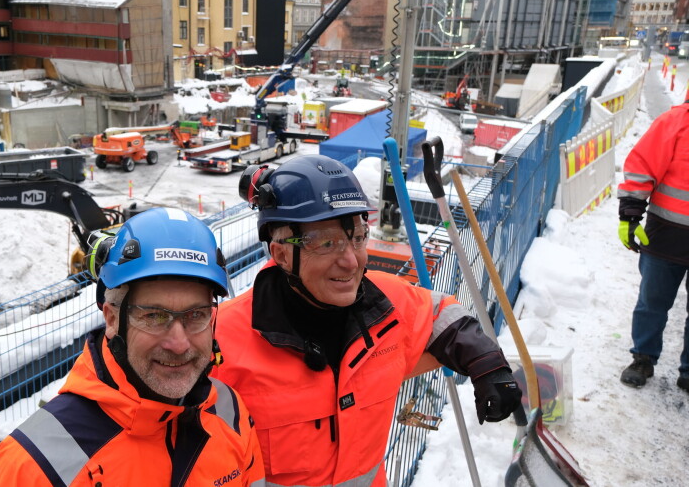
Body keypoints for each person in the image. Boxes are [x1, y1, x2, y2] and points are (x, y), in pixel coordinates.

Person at [212, 154, 521, 487]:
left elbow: (441, 314)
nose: (351, 261)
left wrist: (488, 365)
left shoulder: (385, 303)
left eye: (357, 237)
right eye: (327, 243)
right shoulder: (219, 340)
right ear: (282, 254)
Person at [0, 208, 264, 486]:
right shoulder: (33, 467)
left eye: (196, 315)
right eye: (154, 316)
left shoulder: (228, 410)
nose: (179, 344)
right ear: (111, 319)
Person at [617, 102, 689, 391]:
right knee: (652, 301)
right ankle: (643, 359)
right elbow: (642, 167)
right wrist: (630, 214)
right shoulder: (675, 121)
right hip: (665, 236)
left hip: (664, 234)